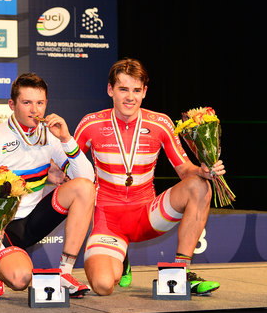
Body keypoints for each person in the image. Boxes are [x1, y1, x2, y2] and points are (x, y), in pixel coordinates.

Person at [74, 58, 224, 296]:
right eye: (123, 89)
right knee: (103, 286)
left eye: (136, 90)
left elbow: (185, 170)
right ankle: (121, 260)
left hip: (147, 215)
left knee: (199, 185)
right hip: (108, 220)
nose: (129, 97)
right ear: (110, 90)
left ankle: (181, 272)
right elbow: (68, 168)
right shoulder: (90, 124)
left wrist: (203, 170)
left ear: (144, 91)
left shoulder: (160, 123)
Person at [0, 73, 96, 298]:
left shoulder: (52, 135)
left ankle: (65, 273)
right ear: (12, 104)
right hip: (0, 226)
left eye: (40, 103)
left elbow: (87, 178)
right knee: (20, 279)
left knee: (84, 188)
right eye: (26, 103)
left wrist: (67, 139)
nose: (34, 110)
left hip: (32, 221)